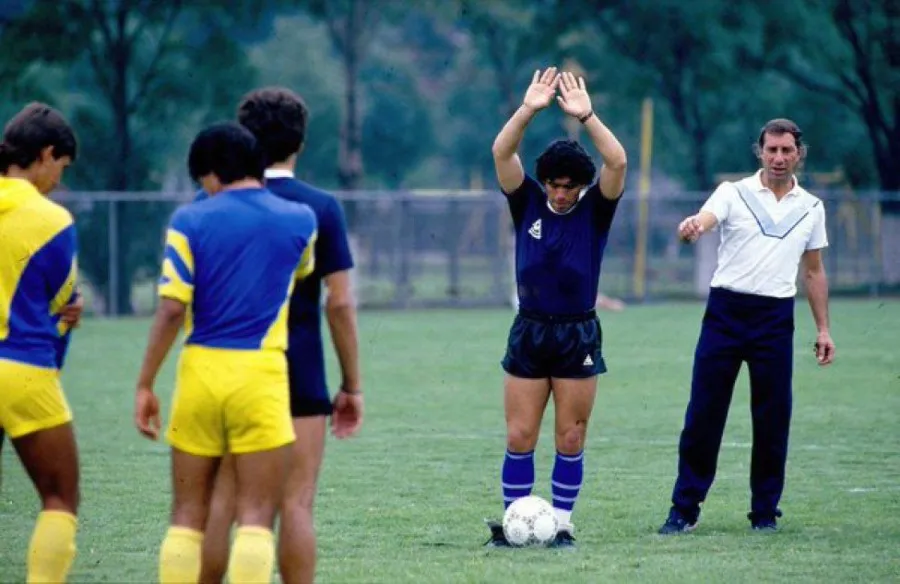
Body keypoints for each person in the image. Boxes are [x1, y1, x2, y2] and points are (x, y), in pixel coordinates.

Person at [133, 122, 318, 583]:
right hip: (262, 375)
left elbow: (172, 310)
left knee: (187, 514)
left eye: (204, 183)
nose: (205, 192)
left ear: (213, 173)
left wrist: (144, 383)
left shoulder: (189, 220)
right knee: (255, 515)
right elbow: (300, 273)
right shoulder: (301, 220)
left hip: (200, 372)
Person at [199, 87, 363, 584]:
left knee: (224, 502)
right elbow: (339, 302)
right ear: (301, 142)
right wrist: (351, 385)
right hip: (300, 371)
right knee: (296, 501)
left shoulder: (210, 204)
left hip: (227, 368)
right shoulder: (320, 207)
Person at [658, 118, 835, 534]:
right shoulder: (732, 193)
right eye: (771, 150)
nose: (778, 158)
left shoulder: (811, 207)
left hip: (775, 318)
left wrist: (823, 329)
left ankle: (764, 514)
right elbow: (703, 220)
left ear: (798, 154)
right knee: (703, 415)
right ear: (760, 152)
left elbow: (813, 272)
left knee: (773, 419)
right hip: (725, 314)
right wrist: (693, 228)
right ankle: (684, 510)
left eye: (786, 151)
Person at [485, 67, 627, 547]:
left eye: (569, 186)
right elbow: (501, 152)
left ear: (582, 186)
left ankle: (561, 523)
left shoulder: (595, 210)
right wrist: (528, 109)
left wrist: (586, 116)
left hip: (577, 333)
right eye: (554, 184)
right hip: (529, 330)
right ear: (543, 182)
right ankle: (513, 524)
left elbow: (618, 161)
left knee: (571, 436)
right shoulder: (525, 202)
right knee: (520, 435)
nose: (561, 193)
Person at [0, 102, 84, 582]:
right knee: (59, 495)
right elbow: (61, 310)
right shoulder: (53, 220)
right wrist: (69, 318)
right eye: (61, 168)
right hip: (22, 366)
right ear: (47, 154)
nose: (59, 180)